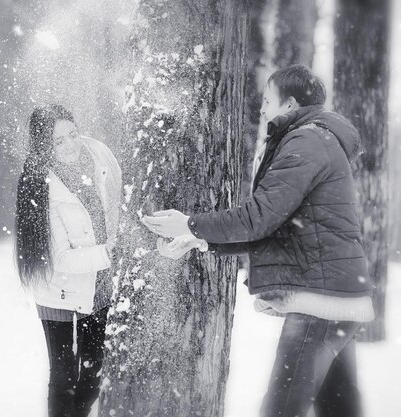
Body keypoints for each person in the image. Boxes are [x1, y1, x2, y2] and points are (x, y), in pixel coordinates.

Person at [142, 65, 374, 417]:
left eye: (268, 100)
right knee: (339, 409)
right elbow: (277, 225)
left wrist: (190, 224)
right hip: (336, 298)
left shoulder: (306, 140)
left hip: (320, 302)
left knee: (280, 409)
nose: (262, 109)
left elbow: (259, 217)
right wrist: (200, 241)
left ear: (290, 104)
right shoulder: (317, 139)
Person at [14, 104, 122, 417]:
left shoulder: (97, 155)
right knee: (63, 376)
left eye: (72, 133)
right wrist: (108, 252)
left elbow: (115, 199)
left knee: (92, 370)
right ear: (45, 148)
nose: (71, 144)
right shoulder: (41, 184)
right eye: (59, 141)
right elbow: (59, 258)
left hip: (96, 279)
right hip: (56, 287)